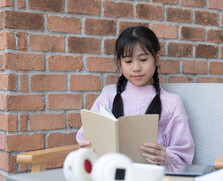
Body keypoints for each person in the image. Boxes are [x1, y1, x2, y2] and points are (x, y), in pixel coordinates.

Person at [76, 26, 194, 172]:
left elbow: (183, 158)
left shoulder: (171, 102)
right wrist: (87, 149)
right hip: (110, 176)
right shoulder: (107, 98)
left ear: (156, 59)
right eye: (128, 61)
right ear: (120, 63)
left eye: (143, 59)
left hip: (151, 180)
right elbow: (85, 138)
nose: (136, 68)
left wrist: (165, 156)